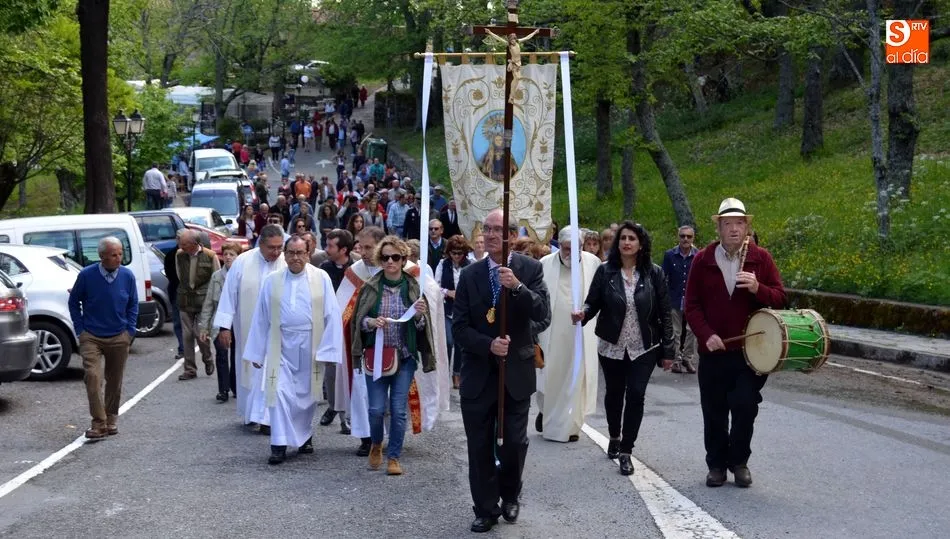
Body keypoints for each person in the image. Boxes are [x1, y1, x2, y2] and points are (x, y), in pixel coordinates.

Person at [452, 208, 551, 533]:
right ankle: (485, 507)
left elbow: (542, 313)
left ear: (511, 235)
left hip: (516, 373)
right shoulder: (470, 275)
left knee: (513, 444)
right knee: (479, 445)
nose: (491, 235)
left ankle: (510, 493)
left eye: (498, 230)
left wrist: (518, 287)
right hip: (479, 374)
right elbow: (460, 328)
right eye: (487, 229)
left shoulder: (530, 269)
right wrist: (487, 345)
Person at [684, 198, 786, 488]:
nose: (733, 229)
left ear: (747, 227)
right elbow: (691, 305)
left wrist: (758, 288)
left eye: (739, 223)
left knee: (745, 406)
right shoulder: (702, 260)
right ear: (718, 227)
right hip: (714, 351)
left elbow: (780, 298)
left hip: (750, 353)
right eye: (727, 223)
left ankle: (738, 461)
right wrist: (706, 335)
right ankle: (716, 465)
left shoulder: (761, 258)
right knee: (713, 410)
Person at [572, 221, 675, 476]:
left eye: (632, 238)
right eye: (623, 238)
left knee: (637, 394)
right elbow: (592, 303)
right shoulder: (606, 272)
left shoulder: (654, 274)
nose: (627, 242)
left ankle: (627, 450)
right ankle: (615, 435)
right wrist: (582, 314)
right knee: (615, 394)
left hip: (645, 346)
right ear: (618, 243)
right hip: (612, 345)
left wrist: (669, 351)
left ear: (641, 244)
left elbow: (664, 312)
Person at [244, 236, 344, 464]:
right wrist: (256, 352)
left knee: (305, 398)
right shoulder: (272, 280)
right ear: (285, 254)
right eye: (291, 252)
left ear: (308, 254)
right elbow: (261, 317)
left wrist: (329, 351)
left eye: (300, 253)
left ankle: (304, 436)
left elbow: (332, 315)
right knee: (278, 393)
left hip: (311, 343)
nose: (295, 257)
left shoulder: (321, 278)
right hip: (280, 344)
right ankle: (278, 443)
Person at [351, 235, 436, 475]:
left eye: (395, 257)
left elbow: (422, 327)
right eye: (386, 257)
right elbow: (358, 321)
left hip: (405, 356)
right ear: (380, 259)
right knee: (376, 409)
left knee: (398, 409)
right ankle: (376, 443)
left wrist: (420, 315)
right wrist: (371, 322)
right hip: (376, 357)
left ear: (402, 259)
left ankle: (394, 456)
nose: (390, 262)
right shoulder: (369, 287)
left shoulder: (413, 288)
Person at [213, 225, 287, 430]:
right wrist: (224, 327)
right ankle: (253, 413)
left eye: (280, 247)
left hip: (277, 330)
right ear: (260, 243)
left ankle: (268, 417)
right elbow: (229, 295)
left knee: (273, 372)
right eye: (271, 247)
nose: (276, 252)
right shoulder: (243, 262)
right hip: (248, 328)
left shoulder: (286, 262)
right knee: (250, 371)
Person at [68, 237, 138, 439]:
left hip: (119, 335)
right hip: (91, 335)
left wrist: (130, 330)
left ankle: (111, 417)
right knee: (92, 377)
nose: (119, 258)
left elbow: (133, 303)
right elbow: (74, 302)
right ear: (102, 256)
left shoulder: (127, 276)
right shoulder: (86, 275)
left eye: (120, 254)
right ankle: (98, 422)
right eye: (114, 255)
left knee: (114, 380)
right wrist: (80, 329)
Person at [535, 227, 601, 442]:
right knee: (552, 376)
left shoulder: (592, 263)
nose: (571, 254)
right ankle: (550, 420)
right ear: (559, 245)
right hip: (553, 332)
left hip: (582, 332)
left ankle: (571, 426)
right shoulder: (545, 264)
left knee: (577, 376)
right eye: (566, 249)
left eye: (576, 249)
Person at [317, 229, 357, 434]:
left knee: (349, 372)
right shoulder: (324, 268)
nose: (326, 249)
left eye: (330, 246)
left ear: (343, 249)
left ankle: (346, 417)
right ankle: (333, 406)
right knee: (332, 373)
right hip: (332, 327)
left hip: (353, 328)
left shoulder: (357, 268)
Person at [199, 241, 244, 402]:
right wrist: (203, 328)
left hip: (238, 320)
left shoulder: (243, 275)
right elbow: (209, 303)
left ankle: (236, 386)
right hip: (220, 321)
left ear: (239, 257)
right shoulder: (216, 276)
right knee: (222, 354)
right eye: (225, 254)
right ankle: (223, 389)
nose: (228, 257)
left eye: (232, 254)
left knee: (236, 355)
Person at [174, 229, 220, 381]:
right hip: (185, 300)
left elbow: (216, 279)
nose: (181, 246)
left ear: (195, 244)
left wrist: (214, 302)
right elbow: (180, 275)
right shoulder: (180, 255)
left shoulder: (210, 256)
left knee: (201, 335)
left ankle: (208, 359)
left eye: (184, 244)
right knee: (187, 335)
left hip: (203, 302)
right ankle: (190, 369)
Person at [434, 235, 471, 389]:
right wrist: (448, 292)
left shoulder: (471, 265)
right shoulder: (443, 264)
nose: (456, 256)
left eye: (459, 253)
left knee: (460, 343)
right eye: (453, 253)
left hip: (464, 311)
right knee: (448, 342)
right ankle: (444, 373)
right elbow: (435, 285)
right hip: (447, 309)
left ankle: (457, 374)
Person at [661, 225, 699, 374]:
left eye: (689, 236)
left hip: (692, 300)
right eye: (683, 236)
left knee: (692, 330)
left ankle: (688, 358)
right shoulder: (670, 255)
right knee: (675, 332)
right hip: (674, 297)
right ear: (678, 237)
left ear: (692, 238)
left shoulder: (698, 256)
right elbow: (663, 276)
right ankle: (676, 359)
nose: (685, 239)